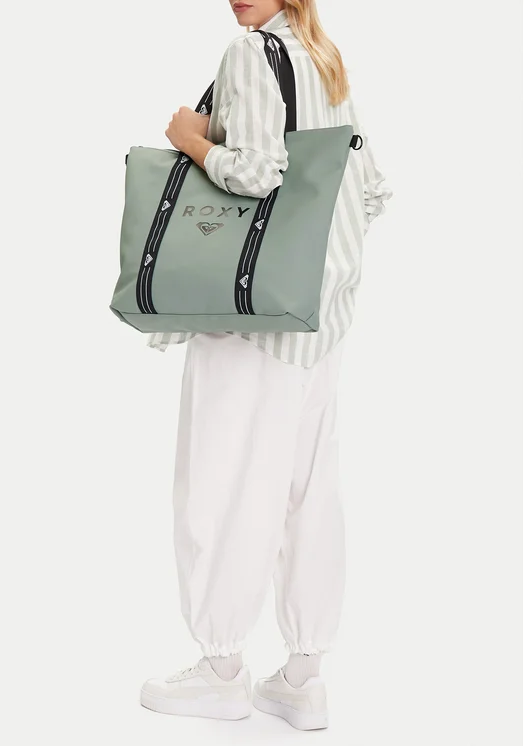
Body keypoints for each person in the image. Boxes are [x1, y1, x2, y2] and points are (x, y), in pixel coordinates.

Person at [140, 0, 393, 731]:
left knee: (220, 483)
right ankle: (303, 677)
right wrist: (323, 261)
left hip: (250, 318)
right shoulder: (324, 57)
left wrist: (192, 140)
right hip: (319, 314)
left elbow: (256, 172)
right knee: (306, 488)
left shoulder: (249, 54)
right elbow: (372, 189)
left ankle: (221, 671)